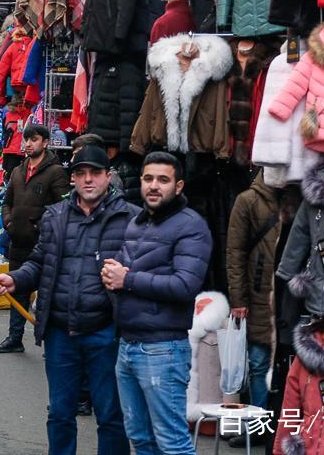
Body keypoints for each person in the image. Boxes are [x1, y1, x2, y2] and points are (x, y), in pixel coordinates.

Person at [0, 145, 134, 455]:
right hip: (60, 331)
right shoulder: (55, 215)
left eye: (95, 173)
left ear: (107, 177)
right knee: (59, 413)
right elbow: (39, 260)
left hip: (106, 331)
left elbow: (140, 268)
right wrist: (16, 278)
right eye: (81, 174)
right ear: (72, 180)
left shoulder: (129, 218)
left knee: (111, 415)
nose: (88, 180)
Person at [102, 151, 211, 455]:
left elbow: (185, 285)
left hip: (163, 349)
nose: (153, 186)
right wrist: (112, 277)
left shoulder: (192, 226)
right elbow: (124, 272)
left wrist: (128, 279)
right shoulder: (138, 222)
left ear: (178, 186)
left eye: (163, 180)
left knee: (172, 443)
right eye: (148, 178)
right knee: (140, 438)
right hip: (128, 344)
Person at [0, 124, 67, 354]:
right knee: (16, 290)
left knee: (47, 291)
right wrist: (8, 221)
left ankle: (48, 342)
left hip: (43, 243)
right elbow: (7, 201)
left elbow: (62, 207)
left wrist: (39, 225)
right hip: (18, 240)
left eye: (33, 139)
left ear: (45, 142)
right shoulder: (18, 171)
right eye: (26, 139)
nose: (28, 144)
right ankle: (15, 337)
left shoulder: (56, 172)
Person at [224, 170, 280, 426]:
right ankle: (259, 426)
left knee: (286, 365)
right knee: (258, 362)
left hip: (288, 295)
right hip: (257, 293)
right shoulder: (247, 200)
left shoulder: (299, 196)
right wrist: (238, 299)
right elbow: (235, 252)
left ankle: (281, 427)